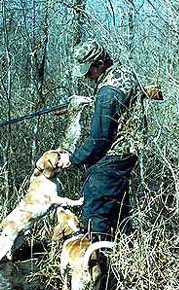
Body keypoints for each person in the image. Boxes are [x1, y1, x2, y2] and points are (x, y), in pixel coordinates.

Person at [59, 39, 144, 242]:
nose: (87, 77)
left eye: (89, 71)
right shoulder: (122, 72)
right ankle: (125, 253)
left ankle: (96, 263)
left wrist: (74, 158)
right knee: (117, 208)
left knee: (93, 210)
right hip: (128, 151)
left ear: (100, 63)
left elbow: (99, 139)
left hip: (115, 154)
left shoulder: (107, 92)